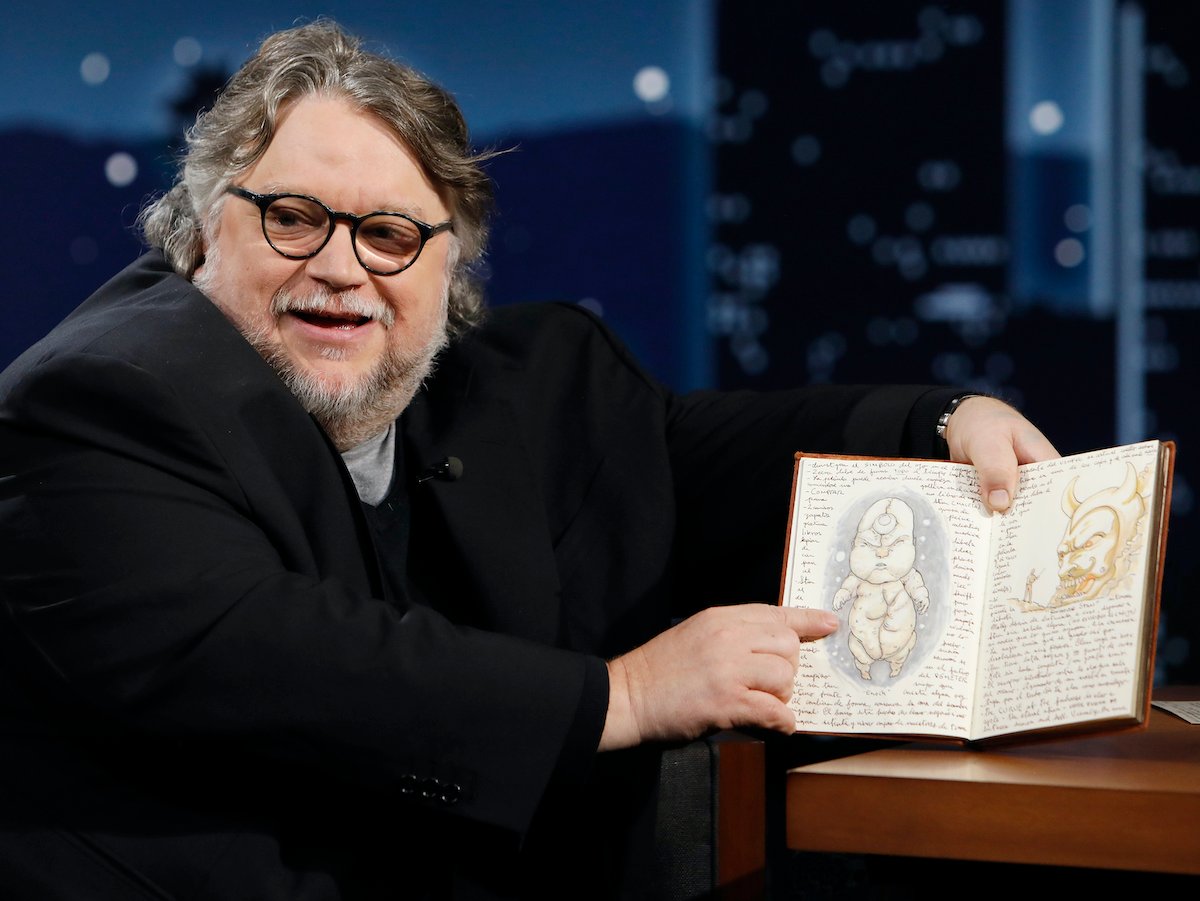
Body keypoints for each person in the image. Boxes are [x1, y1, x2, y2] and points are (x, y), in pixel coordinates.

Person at [0, 19, 1058, 901]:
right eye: (293, 217)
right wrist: (623, 695)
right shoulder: (103, 397)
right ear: (199, 235)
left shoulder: (515, 378)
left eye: (389, 234)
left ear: (448, 263)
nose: (341, 265)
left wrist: (940, 420)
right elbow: (278, 659)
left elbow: (698, 456)